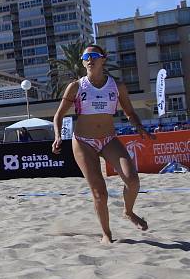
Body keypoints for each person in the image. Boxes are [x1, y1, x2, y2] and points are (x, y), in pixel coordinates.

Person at [52, 44, 152, 244]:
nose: (90, 59)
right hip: (83, 141)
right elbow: (59, 115)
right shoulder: (77, 86)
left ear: (103, 59)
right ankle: (106, 234)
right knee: (100, 192)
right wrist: (57, 136)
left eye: (94, 55)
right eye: (86, 56)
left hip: (108, 139)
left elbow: (130, 113)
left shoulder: (117, 86)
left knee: (133, 180)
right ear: (82, 62)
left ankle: (128, 211)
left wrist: (138, 125)